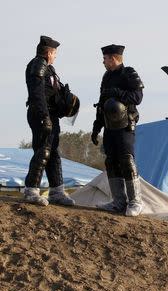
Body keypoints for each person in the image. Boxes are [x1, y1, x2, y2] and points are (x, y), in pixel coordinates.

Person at [23, 35, 79, 206]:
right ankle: (31, 190)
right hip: (41, 113)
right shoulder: (39, 64)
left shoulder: (49, 69)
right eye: (55, 53)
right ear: (49, 52)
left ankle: (57, 191)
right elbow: (37, 93)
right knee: (43, 150)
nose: (55, 56)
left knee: (53, 152)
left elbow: (54, 91)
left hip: (51, 114)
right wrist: (44, 116)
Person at [91, 44, 144, 217]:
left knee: (127, 161)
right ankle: (118, 202)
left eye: (105, 59)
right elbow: (102, 103)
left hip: (125, 126)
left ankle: (136, 201)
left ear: (113, 58)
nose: (103, 62)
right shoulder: (106, 76)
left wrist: (118, 92)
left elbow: (137, 97)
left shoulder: (129, 73)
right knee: (111, 161)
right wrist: (96, 126)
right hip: (109, 126)